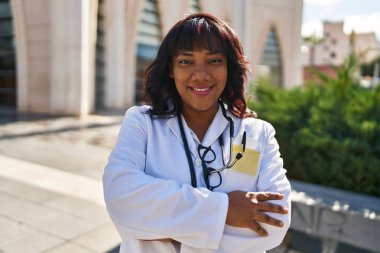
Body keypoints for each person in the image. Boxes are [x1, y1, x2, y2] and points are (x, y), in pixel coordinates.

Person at [103, 13, 291, 253]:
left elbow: (276, 224)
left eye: (214, 60)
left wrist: (165, 233)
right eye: (185, 61)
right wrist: (225, 210)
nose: (200, 74)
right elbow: (121, 200)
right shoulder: (142, 124)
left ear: (229, 66)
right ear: (171, 68)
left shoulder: (258, 134)